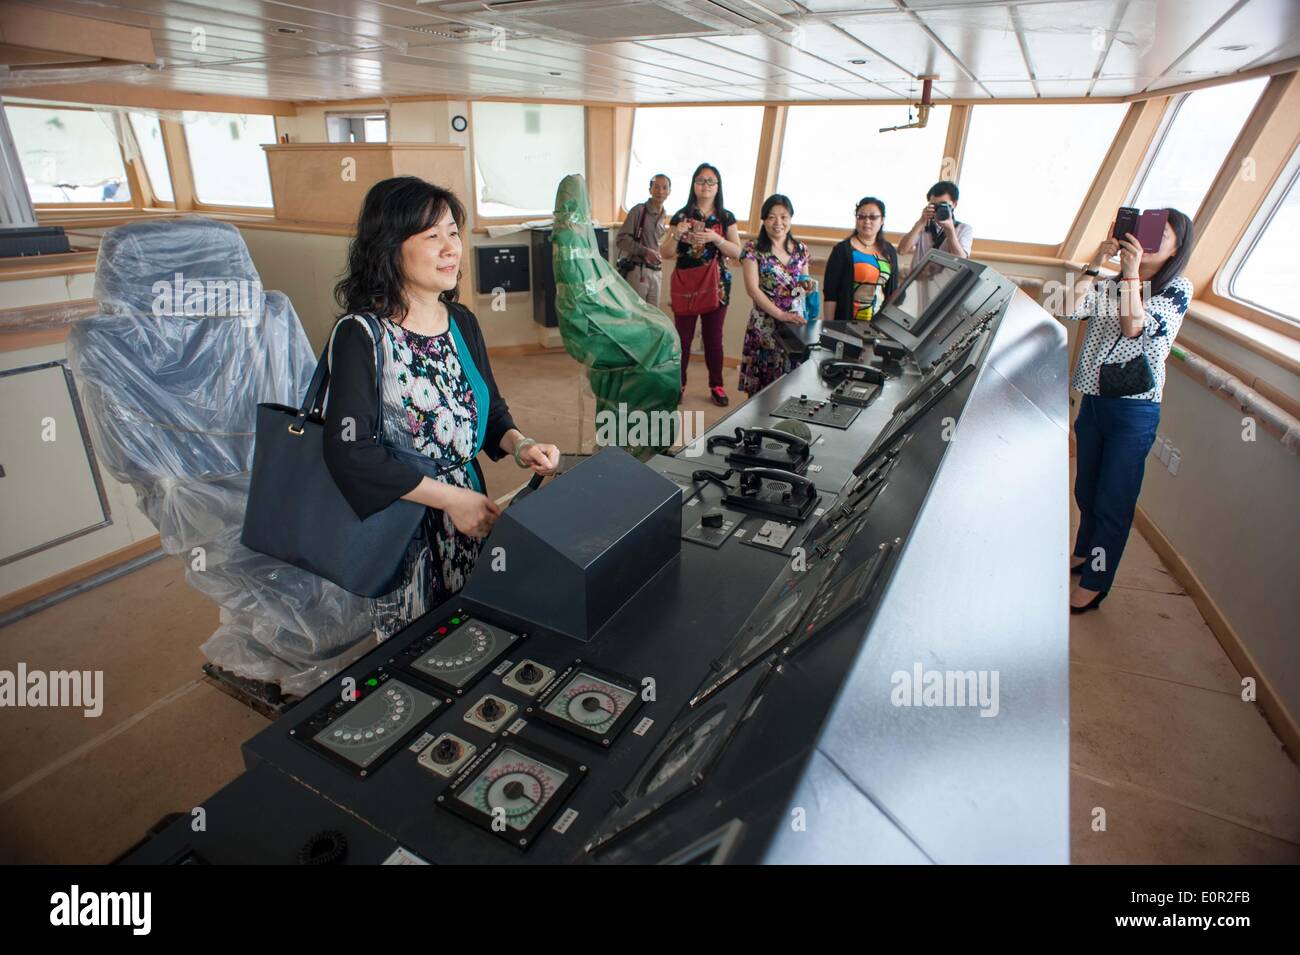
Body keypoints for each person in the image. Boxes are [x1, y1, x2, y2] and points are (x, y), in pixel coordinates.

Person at [325, 176, 561, 638]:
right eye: (432, 236)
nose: (451, 247)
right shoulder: (362, 335)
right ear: (390, 247)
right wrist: (451, 500)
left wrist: (521, 445)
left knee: (478, 632)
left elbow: (489, 412)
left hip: (470, 513)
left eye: (453, 232)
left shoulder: (463, 322)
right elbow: (349, 452)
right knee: (418, 651)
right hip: (405, 527)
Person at [1064, 208, 1193, 614]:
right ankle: (1086, 554)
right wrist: (1097, 263)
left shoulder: (1177, 289)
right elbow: (1068, 308)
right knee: (1085, 489)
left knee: (1113, 501)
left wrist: (1133, 272)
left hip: (1134, 409)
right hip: (1095, 400)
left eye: (1161, 236)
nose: (1148, 241)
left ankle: (1096, 582)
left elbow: (1134, 326)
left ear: (1177, 250)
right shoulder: (1111, 282)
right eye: (1146, 232)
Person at [660, 162, 743, 406]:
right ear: (693, 185)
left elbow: (737, 252)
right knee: (682, 339)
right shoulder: (681, 216)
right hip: (686, 283)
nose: (705, 185)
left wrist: (715, 238)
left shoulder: (726, 217)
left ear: (718, 187)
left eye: (711, 181)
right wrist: (677, 233)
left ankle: (716, 385)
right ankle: (679, 385)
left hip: (717, 285)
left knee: (713, 338)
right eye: (700, 180)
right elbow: (665, 252)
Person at [738, 194, 810, 396]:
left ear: (791, 218)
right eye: (771, 217)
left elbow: (803, 282)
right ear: (763, 220)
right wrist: (780, 314)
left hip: (794, 324)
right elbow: (752, 289)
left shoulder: (801, 249)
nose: (778, 222)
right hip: (765, 325)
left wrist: (807, 287)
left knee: (791, 385)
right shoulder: (753, 249)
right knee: (762, 388)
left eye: (784, 217)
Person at [822, 196, 900, 322]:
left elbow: (892, 293)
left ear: (882, 220)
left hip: (878, 325)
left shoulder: (889, 251)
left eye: (873, 217)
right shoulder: (843, 250)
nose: (867, 221)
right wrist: (830, 326)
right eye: (861, 216)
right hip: (846, 322)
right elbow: (831, 293)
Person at [898, 180, 973, 276]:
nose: (938, 209)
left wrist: (950, 230)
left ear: (954, 204)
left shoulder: (963, 229)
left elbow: (961, 261)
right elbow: (901, 251)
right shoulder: (923, 225)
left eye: (943, 205)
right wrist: (920, 222)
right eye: (934, 205)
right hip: (917, 283)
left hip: (945, 286)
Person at [616, 173, 670, 306]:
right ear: (650, 190)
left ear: (669, 191)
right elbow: (621, 239)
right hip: (638, 271)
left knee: (654, 317)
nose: (660, 191)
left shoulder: (664, 215)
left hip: (657, 272)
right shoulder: (638, 211)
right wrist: (645, 252)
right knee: (637, 316)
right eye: (656, 187)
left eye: (664, 187)